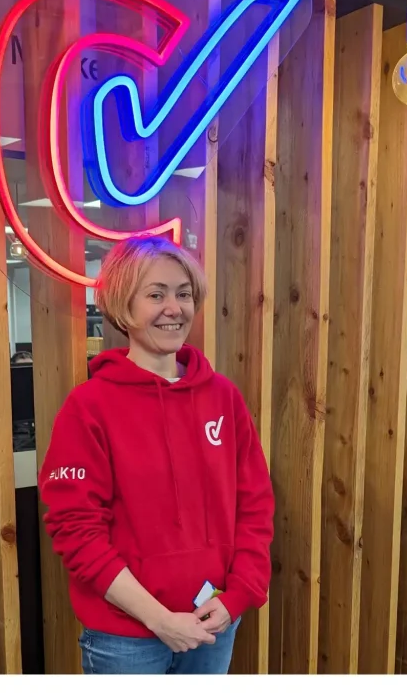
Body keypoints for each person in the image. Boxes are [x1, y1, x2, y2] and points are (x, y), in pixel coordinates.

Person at [39, 236, 275, 674]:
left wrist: (238, 596)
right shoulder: (88, 407)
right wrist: (159, 619)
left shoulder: (223, 397)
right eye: (156, 295)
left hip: (214, 625)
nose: (175, 308)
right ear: (123, 308)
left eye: (183, 293)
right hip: (125, 639)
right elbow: (76, 531)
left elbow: (255, 505)